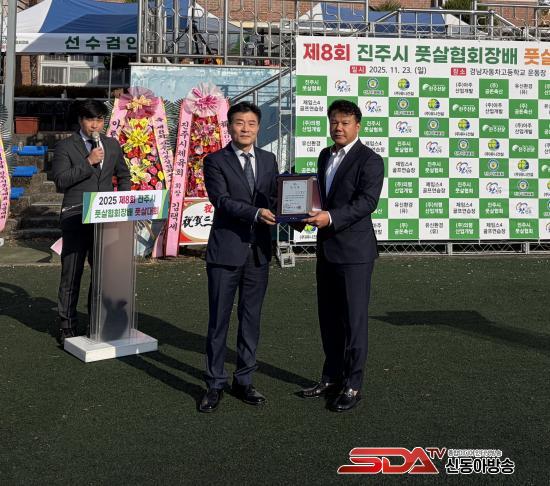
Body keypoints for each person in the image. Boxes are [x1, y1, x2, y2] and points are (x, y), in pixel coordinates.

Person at [301, 99, 384, 412]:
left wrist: (331, 217)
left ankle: (352, 384)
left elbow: (367, 202)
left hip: (354, 253)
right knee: (329, 318)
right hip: (326, 249)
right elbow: (319, 198)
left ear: (357, 126)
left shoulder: (370, 160)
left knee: (354, 321)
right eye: (334, 121)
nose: (339, 127)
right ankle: (331, 377)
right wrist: (300, 212)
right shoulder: (325, 155)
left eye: (345, 122)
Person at [199, 101, 279, 413]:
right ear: (229, 126)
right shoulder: (215, 160)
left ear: (259, 128)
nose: (245, 129)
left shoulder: (269, 159)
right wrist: (257, 213)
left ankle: (244, 380)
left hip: (258, 253)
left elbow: (276, 198)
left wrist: (298, 210)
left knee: (251, 319)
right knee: (218, 320)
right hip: (226, 252)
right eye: (239, 123)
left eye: (251, 123)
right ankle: (214, 383)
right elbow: (221, 200)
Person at [52, 99, 131, 345]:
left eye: (99, 119)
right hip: (75, 216)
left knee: (102, 275)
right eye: (90, 119)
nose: (95, 125)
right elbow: (60, 181)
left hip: (105, 219)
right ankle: (67, 325)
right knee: (71, 274)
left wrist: (122, 202)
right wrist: (88, 162)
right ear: (80, 120)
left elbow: (123, 175)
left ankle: (96, 322)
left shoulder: (112, 144)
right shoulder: (65, 146)